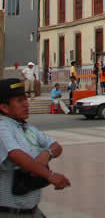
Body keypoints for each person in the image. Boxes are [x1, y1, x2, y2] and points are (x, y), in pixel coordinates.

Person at [0, 78, 71, 215]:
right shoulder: (3, 127)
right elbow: (15, 155)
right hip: (10, 212)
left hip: (32, 211)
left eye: (26, 99)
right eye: (19, 101)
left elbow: (56, 146)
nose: (26, 104)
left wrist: (46, 154)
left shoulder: (27, 128)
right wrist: (49, 175)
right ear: (4, 107)